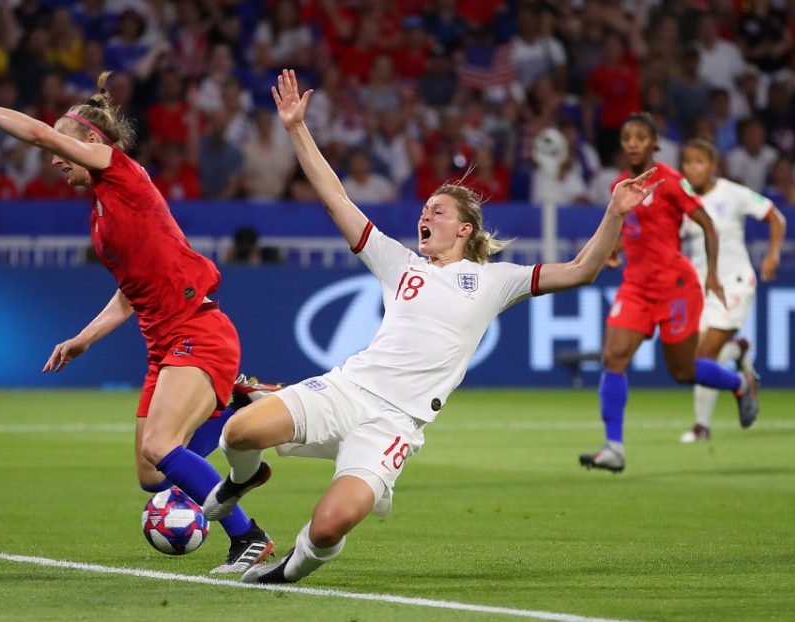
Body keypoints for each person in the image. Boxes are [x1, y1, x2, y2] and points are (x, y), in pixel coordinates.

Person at [201, 69, 662, 585]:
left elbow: (581, 270)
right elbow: (336, 198)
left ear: (464, 229)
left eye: (437, 211)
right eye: (424, 208)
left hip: (395, 424)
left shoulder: (495, 281)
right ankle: (245, 479)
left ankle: (288, 570)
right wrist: (296, 129)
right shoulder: (400, 265)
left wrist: (615, 212)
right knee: (237, 432)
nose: (426, 214)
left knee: (331, 525)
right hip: (348, 388)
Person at [0, 72, 275, 574]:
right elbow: (130, 294)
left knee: (160, 444)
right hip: (164, 344)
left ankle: (249, 538)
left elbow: (39, 133)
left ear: (92, 141)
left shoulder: (123, 173)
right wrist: (83, 338)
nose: (53, 157)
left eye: (63, 144)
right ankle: (231, 407)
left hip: (197, 331)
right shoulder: (102, 214)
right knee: (152, 475)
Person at [578, 113, 760, 472]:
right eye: (627, 136)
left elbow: (707, 224)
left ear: (654, 144)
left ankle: (739, 383)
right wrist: (614, 249)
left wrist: (711, 275)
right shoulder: (619, 185)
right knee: (613, 356)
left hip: (675, 287)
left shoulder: (672, 181)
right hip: (636, 287)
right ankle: (614, 447)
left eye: (640, 137)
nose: (632, 143)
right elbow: (628, 227)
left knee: (683, 371)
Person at [678, 139, 786, 442]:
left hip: (735, 282)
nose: (693, 168)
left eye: (700, 161)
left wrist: (772, 253)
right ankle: (739, 353)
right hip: (701, 286)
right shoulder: (683, 201)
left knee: (705, 353)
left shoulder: (732, 193)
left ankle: (701, 427)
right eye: (687, 162)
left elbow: (775, 217)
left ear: (712, 166)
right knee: (693, 360)